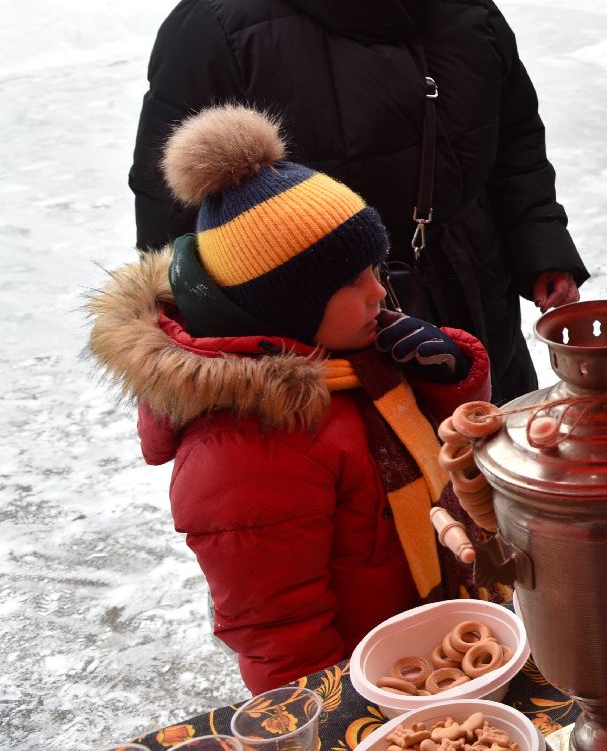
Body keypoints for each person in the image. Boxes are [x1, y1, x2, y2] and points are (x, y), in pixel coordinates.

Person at [129, 0, 586, 405]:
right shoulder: (220, 29)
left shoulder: (462, 5)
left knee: (485, 491)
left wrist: (542, 250)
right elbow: (175, 218)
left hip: (472, 318)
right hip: (320, 351)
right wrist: (234, 365)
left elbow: (513, 141)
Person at [90, 106, 494, 693]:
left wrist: (449, 378)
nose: (379, 291)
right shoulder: (246, 446)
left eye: (374, 269)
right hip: (375, 683)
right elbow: (279, 633)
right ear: (287, 309)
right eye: (350, 283)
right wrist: (328, 720)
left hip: (432, 644)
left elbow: (450, 458)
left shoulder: (352, 354)